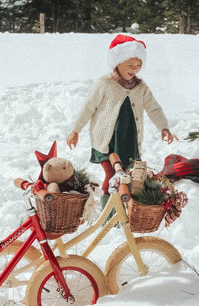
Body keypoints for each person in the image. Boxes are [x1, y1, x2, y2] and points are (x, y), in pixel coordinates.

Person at [66, 34, 176, 208]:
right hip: (107, 142)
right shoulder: (105, 83)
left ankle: (120, 212)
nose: (135, 69)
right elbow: (88, 107)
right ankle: (107, 213)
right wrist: (75, 130)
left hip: (129, 142)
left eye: (139, 65)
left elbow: (154, 108)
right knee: (112, 176)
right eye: (130, 65)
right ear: (118, 62)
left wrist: (164, 127)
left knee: (126, 179)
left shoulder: (141, 87)